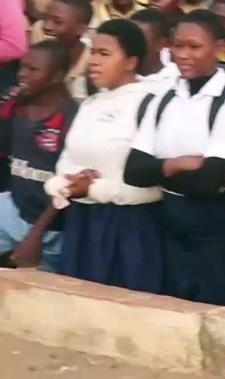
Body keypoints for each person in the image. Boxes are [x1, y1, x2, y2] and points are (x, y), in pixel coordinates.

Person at [123, 10, 225, 307]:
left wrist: (158, 168)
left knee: (216, 308)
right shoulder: (164, 99)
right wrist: (176, 163)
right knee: (173, 306)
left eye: (194, 47)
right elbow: (133, 171)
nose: (183, 54)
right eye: (178, 46)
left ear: (219, 48)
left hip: (218, 228)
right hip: (170, 222)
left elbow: (209, 181)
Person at [46, 20, 162, 291]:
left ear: (131, 62)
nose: (93, 61)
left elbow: (154, 178)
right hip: (84, 222)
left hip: (129, 226)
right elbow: (67, 157)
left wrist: (98, 187)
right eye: (93, 52)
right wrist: (70, 181)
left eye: (105, 54)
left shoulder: (151, 103)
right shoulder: (91, 103)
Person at [0, 41, 78, 271]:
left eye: (33, 70)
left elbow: (67, 187)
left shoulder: (71, 118)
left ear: (56, 76)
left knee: (37, 294)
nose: (22, 74)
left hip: (50, 227)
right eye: (22, 67)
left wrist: (36, 235)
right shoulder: (18, 107)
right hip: (14, 209)